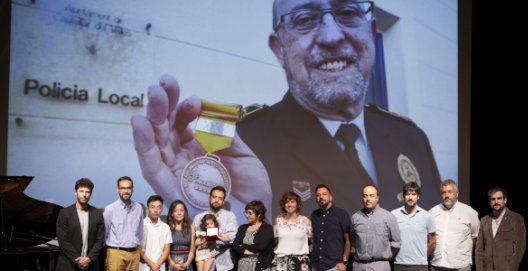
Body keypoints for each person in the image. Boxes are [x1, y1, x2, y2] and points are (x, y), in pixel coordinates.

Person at [131, 0, 443, 218]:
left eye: (348, 12)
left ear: (372, 33)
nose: (333, 36)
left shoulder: (412, 137)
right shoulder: (236, 144)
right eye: (305, 20)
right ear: (279, 48)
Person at [429, 179, 479, 271]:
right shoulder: (432, 212)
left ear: (457, 193)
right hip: (437, 265)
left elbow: (475, 236)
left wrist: (462, 253)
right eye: (443, 192)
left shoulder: (469, 212)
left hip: (461, 266)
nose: (446, 195)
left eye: (450, 192)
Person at [56, 178, 105, 271]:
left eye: (87, 192)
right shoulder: (64, 213)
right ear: (75, 192)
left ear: (91, 194)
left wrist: (88, 258)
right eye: (81, 191)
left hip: (91, 265)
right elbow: (63, 240)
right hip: (68, 265)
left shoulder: (98, 213)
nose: (84, 194)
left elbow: (100, 240)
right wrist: (79, 261)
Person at [475, 187, 526, 271]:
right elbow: (479, 250)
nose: (496, 202)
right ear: (489, 201)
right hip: (487, 268)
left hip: (506, 268)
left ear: (505, 200)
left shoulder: (516, 218)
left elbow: (519, 248)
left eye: (499, 198)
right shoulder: (484, 220)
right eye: (493, 199)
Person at [350, 185, 400, 271]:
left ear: (377, 198)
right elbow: (353, 241)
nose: (368, 199)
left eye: (371, 195)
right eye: (365, 196)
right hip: (359, 266)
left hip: (380, 265)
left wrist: (385, 257)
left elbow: (396, 243)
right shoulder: (355, 218)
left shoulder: (388, 217)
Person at [391, 182, 436, 271]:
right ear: (403, 196)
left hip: (420, 265)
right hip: (399, 264)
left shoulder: (427, 216)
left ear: (418, 196)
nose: (410, 197)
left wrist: (422, 256)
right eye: (408, 194)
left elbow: (432, 241)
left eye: (413, 194)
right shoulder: (393, 215)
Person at [103, 176, 145, 271]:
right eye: (123, 188)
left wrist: (139, 250)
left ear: (132, 190)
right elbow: (104, 232)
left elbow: (140, 231)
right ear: (117, 190)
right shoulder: (110, 209)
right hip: (116, 253)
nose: (126, 191)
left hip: (134, 254)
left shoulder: (139, 208)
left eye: (129, 188)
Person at [192, 186, 238, 271]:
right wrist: (198, 242)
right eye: (214, 197)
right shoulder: (198, 218)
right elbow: (193, 240)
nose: (216, 200)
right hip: (203, 261)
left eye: (220, 198)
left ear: (223, 201)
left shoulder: (230, 216)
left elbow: (232, 237)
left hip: (223, 263)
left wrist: (217, 238)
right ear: (209, 198)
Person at [310, 184, 351, 271]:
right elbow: (313, 239)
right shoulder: (314, 215)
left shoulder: (341, 214)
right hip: (316, 265)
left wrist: (344, 262)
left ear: (330, 197)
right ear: (316, 199)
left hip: (334, 266)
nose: (321, 197)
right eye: (318, 195)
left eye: (324, 194)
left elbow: (348, 240)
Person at [272, 191, 312, 271]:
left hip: (300, 262)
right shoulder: (277, 221)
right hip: (280, 261)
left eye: (292, 202)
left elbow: (310, 240)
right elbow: (275, 240)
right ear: (283, 205)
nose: (289, 204)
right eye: (287, 202)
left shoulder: (306, 221)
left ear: (297, 204)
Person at [232, 200, 274, 271]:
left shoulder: (268, 229)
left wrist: (242, 246)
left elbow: (260, 246)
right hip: (242, 266)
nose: (247, 215)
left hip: (259, 266)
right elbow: (235, 245)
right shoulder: (242, 228)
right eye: (246, 213)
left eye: (250, 213)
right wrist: (244, 251)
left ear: (259, 214)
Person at [140, 195, 172, 271]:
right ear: (147, 208)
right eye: (153, 207)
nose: (156, 210)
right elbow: (139, 248)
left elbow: (166, 249)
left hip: (159, 267)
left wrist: (157, 265)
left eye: (158, 207)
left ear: (162, 209)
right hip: (143, 266)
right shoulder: (141, 225)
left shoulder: (166, 227)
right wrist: (151, 264)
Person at [167, 200, 196, 271]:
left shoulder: (191, 227)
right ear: (172, 213)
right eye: (176, 211)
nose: (179, 213)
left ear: (184, 212)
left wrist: (187, 263)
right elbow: (165, 251)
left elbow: (192, 249)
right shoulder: (167, 228)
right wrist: (173, 265)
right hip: (172, 263)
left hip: (187, 263)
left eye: (181, 210)